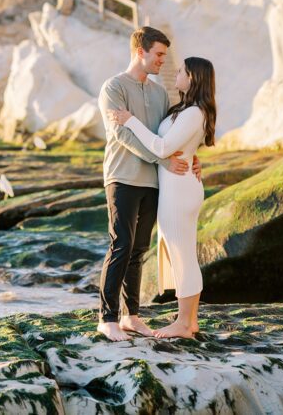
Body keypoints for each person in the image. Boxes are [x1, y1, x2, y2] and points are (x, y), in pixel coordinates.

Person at [95, 26, 201, 342]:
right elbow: (122, 134)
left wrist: (192, 156)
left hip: (152, 183)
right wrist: (163, 160)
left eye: (164, 56)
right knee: (121, 243)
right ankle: (107, 318)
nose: (162, 61)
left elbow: (166, 138)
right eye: (158, 54)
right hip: (122, 177)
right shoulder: (113, 87)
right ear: (140, 51)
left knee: (140, 248)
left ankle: (131, 315)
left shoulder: (159, 94)